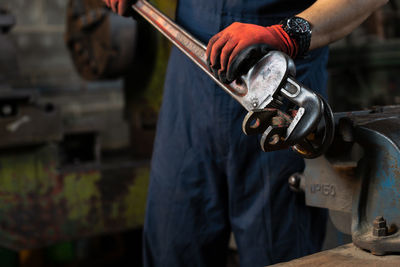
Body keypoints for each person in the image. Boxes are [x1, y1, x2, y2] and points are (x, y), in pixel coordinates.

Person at [103, 0, 388, 266]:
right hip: (190, 88)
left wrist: (289, 34)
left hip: (279, 92)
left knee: (281, 253)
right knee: (173, 248)